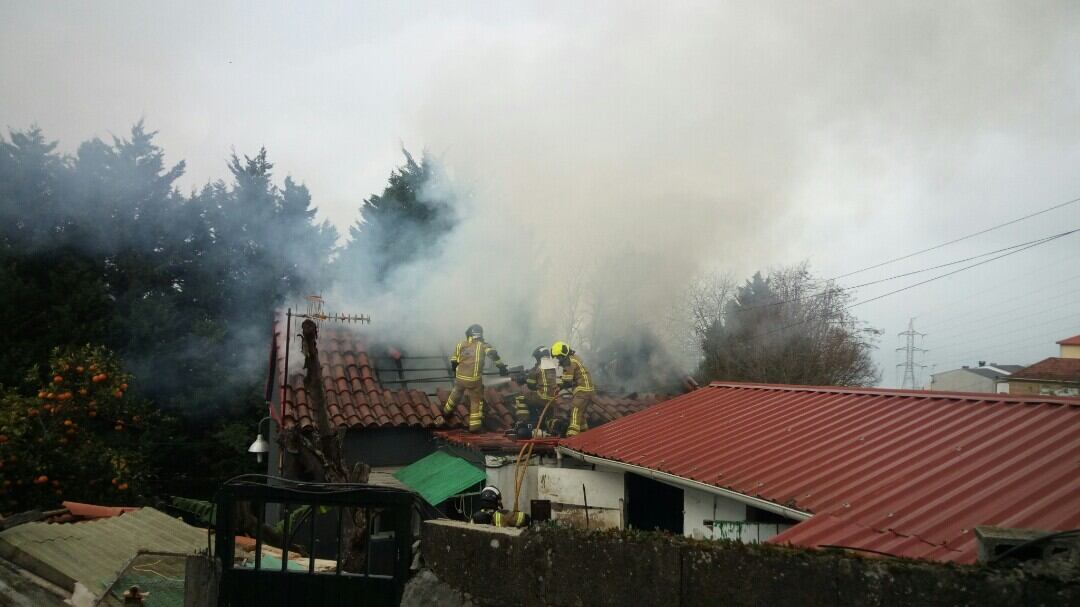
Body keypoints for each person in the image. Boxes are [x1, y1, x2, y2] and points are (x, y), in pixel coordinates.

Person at [443, 324, 508, 433]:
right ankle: (474, 427)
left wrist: (456, 372)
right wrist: (501, 367)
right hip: (474, 380)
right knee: (475, 401)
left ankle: (446, 412)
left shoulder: (461, 344)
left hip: (460, 378)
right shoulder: (483, 345)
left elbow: (454, 360)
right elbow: (493, 355)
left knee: (455, 394)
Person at [551, 341, 595, 437]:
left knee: (575, 409)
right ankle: (585, 434)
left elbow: (567, 380)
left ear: (564, 354)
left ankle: (572, 435)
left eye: (559, 357)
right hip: (587, 389)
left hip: (583, 389)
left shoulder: (570, 361)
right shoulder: (574, 360)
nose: (558, 360)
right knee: (581, 415)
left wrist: (558, 385)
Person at [513, 346, 559, 430]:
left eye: (536, 358)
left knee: (521, 397)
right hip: (553, 399)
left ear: (539, 357)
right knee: (548, 419)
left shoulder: (538, 367)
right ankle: (553, 425)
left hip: (542, 397)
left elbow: (531, 385)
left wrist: (523, 379)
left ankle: (524, 422)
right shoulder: (552, 366)